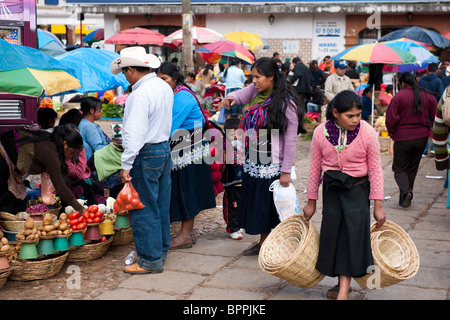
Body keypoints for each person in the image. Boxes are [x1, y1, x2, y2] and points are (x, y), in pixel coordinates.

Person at [303, 90, 386, 300]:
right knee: (334, 236)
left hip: (358, 191)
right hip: (332, 191)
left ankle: (342, 291)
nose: (356, 120)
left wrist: (378, 205)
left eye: (359, 115)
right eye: (351, 116)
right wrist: (311, 202)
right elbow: (315, 169)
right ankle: (342, 283)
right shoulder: (321, 133)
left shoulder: (367, 133)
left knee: (353, 237)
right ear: (335, 113)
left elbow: (376, 170)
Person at [223, 57, 305, 256]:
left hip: (272, 162)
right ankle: (263, 241)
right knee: (257, 203)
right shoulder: (258, 91)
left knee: (268, 204)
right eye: (252, 77)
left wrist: (286, 171)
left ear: (271, 77)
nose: (254, 81)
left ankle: (272, 244)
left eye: (258, 77)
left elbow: (291, 140)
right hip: (254, 156)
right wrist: (232, 97)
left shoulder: (286, 104)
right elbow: (243, 94)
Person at [110, 46, 173, 274]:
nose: (125, 77)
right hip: (163, 149)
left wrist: (126, 166)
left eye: (125, 72)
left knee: (143, 207)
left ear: (132, 70)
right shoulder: (163, 87)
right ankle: (160, 251)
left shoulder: (139, 94)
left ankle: (150, 260)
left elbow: (134, 134)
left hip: (146, 153)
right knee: (160, 206)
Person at [157, 62, 216, 250]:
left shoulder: (182, 97)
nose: (161, 83)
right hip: (188, 146)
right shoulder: (176, 93)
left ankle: (185, 235)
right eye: (158, 80)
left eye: (164, 79)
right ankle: (188, 233)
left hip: (190, 147)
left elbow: (169, 128)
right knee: (187, 189)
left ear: (175, 79)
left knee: (187, 190)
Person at [0, 123, 87, 214]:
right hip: (3, 156)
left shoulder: (52, 141)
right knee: (7, 203)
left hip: (7, 153)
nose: (70, 157)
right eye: (72, 152)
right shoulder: (52, 156)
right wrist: (81, 209)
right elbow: (61, 187)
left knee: (17, 202)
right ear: (65, 144)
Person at [386, 72, 437, 208]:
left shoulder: (399, 96)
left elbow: (391, 118)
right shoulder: (428, 96)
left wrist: (392, 132)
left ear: (402, 83)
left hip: (403, 137)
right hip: (422, 137)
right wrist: (432, 131)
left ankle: (406, 192)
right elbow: (436, 117)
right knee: (412, 168)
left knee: (399, 169)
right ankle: (405, 197)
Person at [59, 109, 106, 205]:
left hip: (79, 178)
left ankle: (97, 210)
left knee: (96, 185)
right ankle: (89, 210)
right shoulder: (65, 154)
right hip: (69, 184)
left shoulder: (73, 150)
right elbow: (79, 174)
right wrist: (81, 150)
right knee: (85, 184)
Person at [222, 117, 244, 240]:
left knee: (242, 206)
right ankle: (232, 228)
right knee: (232, 207)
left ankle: (239, 225)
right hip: (231, 184)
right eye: (232, 134)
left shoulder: (245, 146)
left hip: (244, 183)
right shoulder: (225, 147)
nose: (236, 137)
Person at [77, 97, 109, 162]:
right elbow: (98, 148)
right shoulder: (89, 126)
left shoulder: (84, 122)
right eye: (99, 110)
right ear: (92, 111)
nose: (101, 111)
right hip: (93, 164)